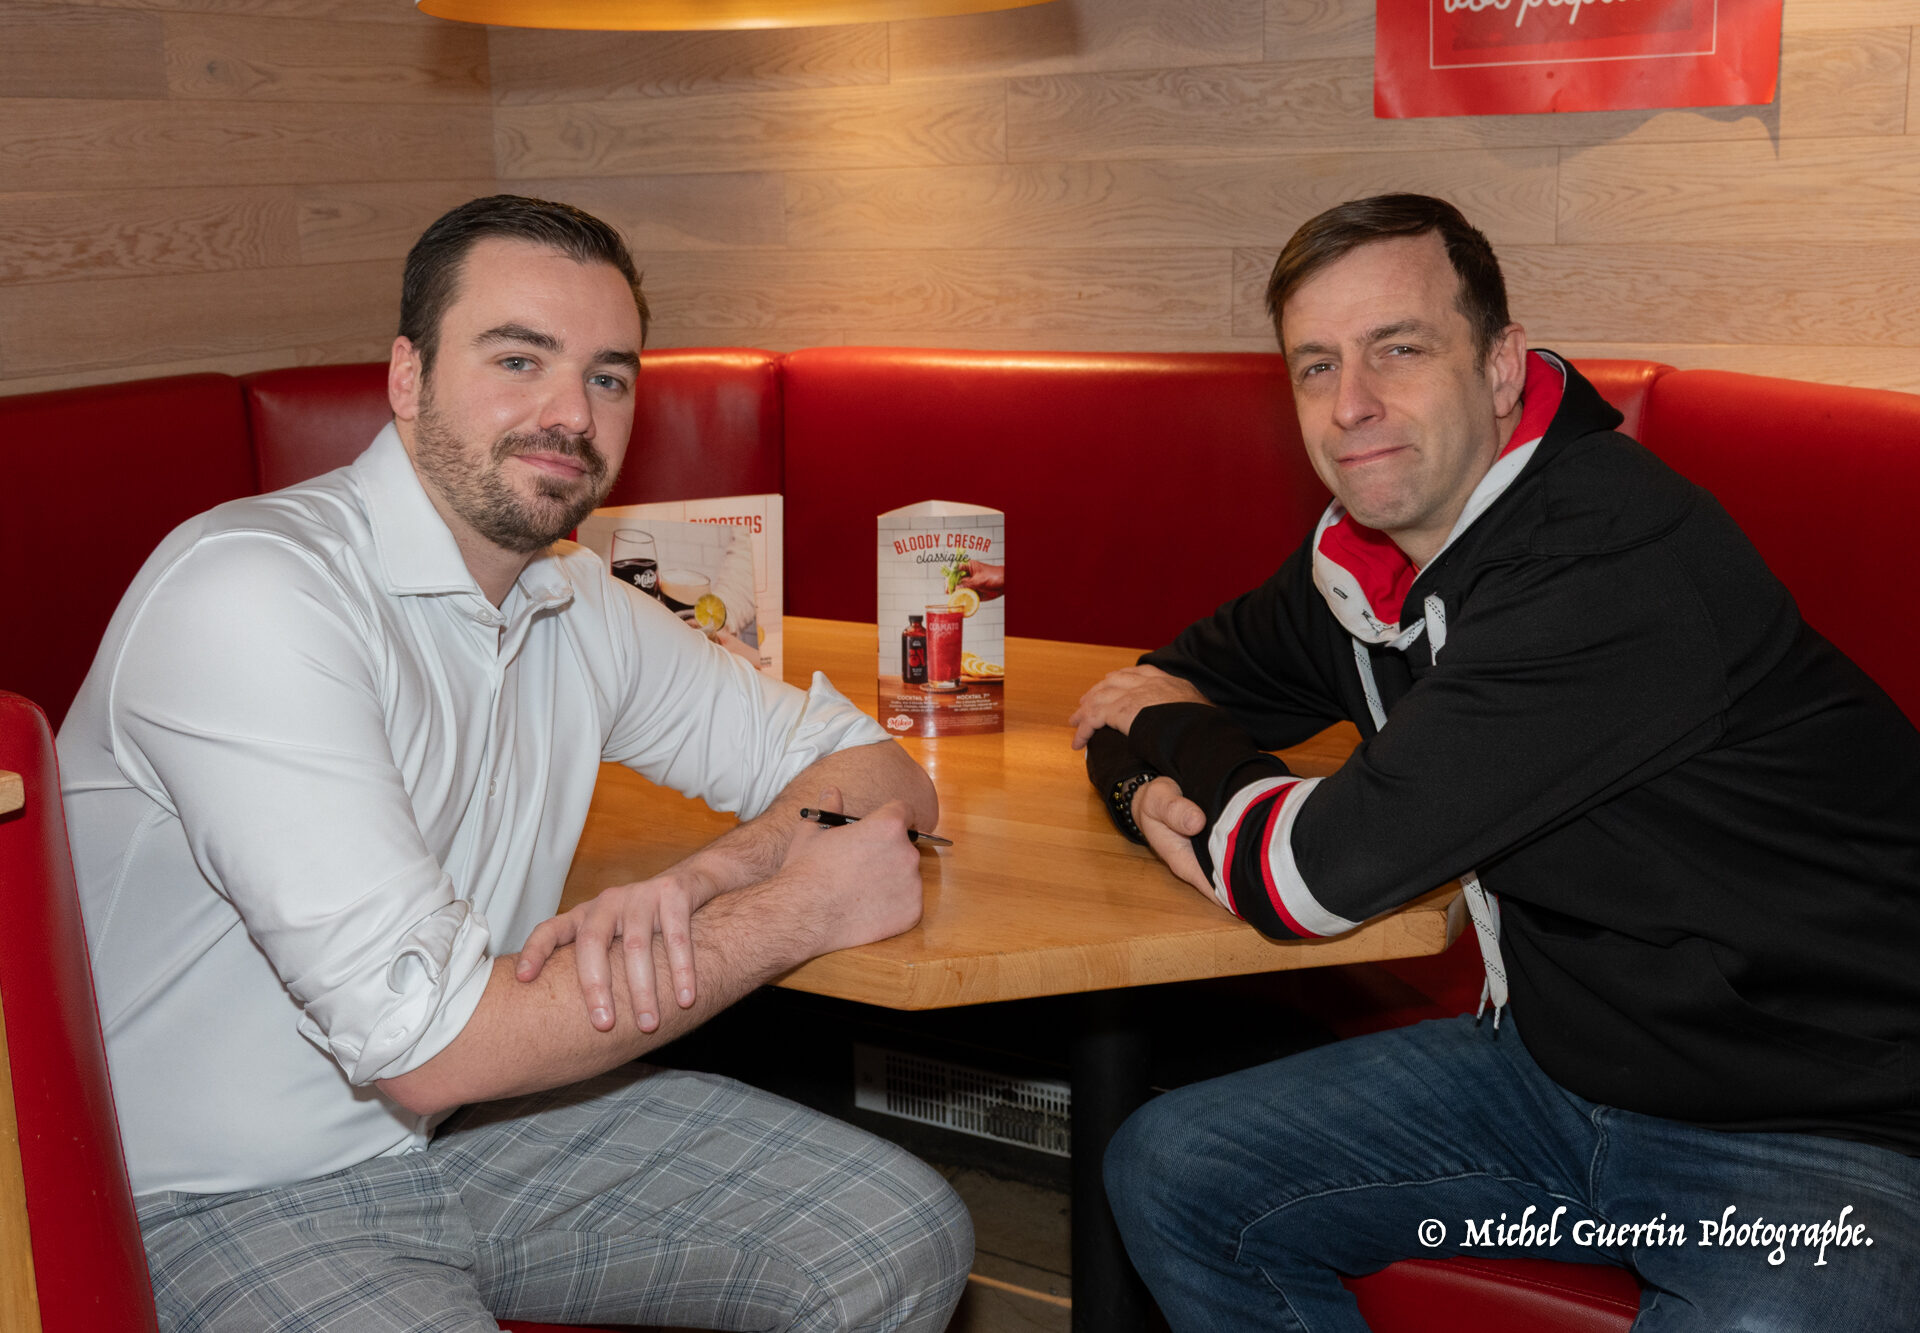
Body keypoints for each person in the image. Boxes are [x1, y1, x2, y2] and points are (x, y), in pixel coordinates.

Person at [59, 195, 972, 1332]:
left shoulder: (570, 596)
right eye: (518, 358)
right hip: (205, 1195)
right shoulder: (252, 592)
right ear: (406, 376)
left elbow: (870, 763)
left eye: (607, 375)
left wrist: (711, 879)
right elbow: (431, 1048)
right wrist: (795, 913)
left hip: (474, 1132)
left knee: (894, 1232)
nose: (569, 414)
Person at [1071, 194, 1920, 1330]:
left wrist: (1160, 761)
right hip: (1557, 1081)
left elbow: (1297, 880)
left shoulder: (1604, 561)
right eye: (1315, 367)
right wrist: (1148, 767)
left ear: (1504, 365)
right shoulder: (1363, 562)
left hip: (1824, 1131)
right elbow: (1165, 682)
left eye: (1399, 349)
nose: (1352, 404)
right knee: (1176, 1167)